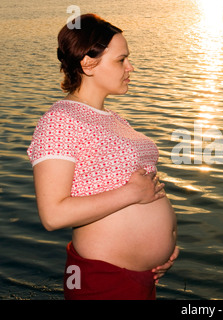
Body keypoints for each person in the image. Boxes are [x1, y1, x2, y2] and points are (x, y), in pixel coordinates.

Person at [27, 14, 178, 300]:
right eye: (121, 60)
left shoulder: (115, 120)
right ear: (88, 63)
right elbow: (53, 214)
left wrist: (164, 249)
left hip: (141, 277)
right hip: (102, 279)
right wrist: (131, 193)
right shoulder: (61, 120)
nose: (130, 67)